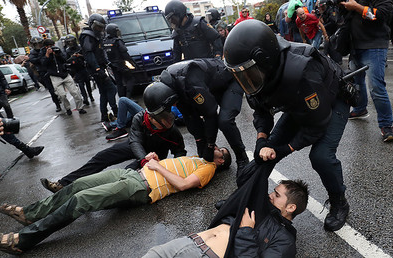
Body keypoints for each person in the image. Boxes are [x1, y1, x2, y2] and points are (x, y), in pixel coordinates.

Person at [224, 20, 352, 231]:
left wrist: (287, 148)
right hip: (298, 104)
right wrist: (262, 139)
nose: (245, 80)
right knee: (264, 154)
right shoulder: (256, 71)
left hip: (331, 100)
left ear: (264, 61)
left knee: (321, 156)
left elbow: (316, 125)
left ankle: (339, 202)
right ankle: (246, 200)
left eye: (248, 73)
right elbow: (261, 111)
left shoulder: (302, 71)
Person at [0, 148, 231, 255]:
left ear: (221, 163)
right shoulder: (196, 157)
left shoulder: (207, 169)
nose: (216, 151)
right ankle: (30, 214)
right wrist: (156, 159)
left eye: (221, 153)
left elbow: (182, 185)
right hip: (131, 174)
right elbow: (171, 171)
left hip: (141, 187)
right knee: (78, 184)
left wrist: (157, 166)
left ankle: (23, 240)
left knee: (81, 200)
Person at [40, 85, 187, 193]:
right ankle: (63, 184)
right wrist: (143, 159)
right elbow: (135, 141)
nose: (164, 125)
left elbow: (180, 154)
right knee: (102, 157)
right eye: (160, 122)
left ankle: (83, 191)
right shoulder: (139, 118)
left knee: (126, 173)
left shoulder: (172, 130)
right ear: (151, 117)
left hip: (156, 156)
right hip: (139, 148)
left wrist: (169, 170)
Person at [143, 164, 309, 257]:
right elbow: (246, 178)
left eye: (277, 195)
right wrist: (263, 154)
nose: (270, 195)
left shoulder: (285, 240)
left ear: (291, 207)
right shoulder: (258, 204)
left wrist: (246, 232)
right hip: (187, 242)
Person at [158, 58, 250, 172]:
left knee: (224, 121)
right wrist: (200, 141)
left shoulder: (190, 83)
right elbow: (189, 116)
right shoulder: (170, 86)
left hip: (229, 81)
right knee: (194, 119)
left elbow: (210, 114)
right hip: (210, 86)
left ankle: (242, 158)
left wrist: (210, 144)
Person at [341, 0, 393, 142]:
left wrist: (356, 7)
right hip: (355, 46)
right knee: (357, 82)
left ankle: (386, 126)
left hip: (375, 46)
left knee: (376, 87)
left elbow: (380, 15)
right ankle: (360, 108)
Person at [80, 13, 118, 122]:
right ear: (92, 24)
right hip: (96, 69)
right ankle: (115, 111)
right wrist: (97, 68)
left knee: (103, 92)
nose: (99, 29)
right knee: (111, 88)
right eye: (98, 26)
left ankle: (104, 116)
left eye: (101, 27)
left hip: (100, 66)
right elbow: (89, 54)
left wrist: (107, 63)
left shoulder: (96, 35)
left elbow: (100, 52)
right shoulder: (87, 35)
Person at [39, 39, 87, 116]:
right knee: (62, 95)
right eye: (50, 46)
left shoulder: (58, 50)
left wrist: (58, 54)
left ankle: (80, 108)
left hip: (65, 74)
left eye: (53, 45)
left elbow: (65, 59)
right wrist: (47, 55)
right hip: (55, 76)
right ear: (46, 47)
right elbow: (43, 64)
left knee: (75, 92)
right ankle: (67, 108)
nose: (52, 47)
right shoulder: (42, 53)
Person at [28, 36, 62, 112]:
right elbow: (33, 60)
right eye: (36, 44)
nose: (38, 46)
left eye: (39, 44)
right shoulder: (33, 52)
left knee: (59, 86)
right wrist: (42, 58)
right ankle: (57, 104)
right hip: (43, 72)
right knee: (51, 90)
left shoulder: (46, 49)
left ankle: (61, 98)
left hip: (53, 70)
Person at [103, 24, 136, 98]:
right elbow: (124, 53)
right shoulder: (118, 41)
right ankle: (128, 98)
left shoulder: (105, 41)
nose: (118, 33)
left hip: (113, 65)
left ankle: (122, 98)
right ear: (113, 31)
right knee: (130, 79)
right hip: (121, 64)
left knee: (119, 83)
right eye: (116, 31)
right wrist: (132, 63)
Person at [65, 34, 94, 105]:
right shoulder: (67, 50)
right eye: (69, 42)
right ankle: (85, 98)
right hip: (76, 70)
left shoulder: (80, 47)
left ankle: (90, 95)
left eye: (71, 41)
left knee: (88, 84)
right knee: (81, 85)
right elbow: (66, 60)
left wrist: (79, 55)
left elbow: (86, 56)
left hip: (84, 68)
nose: (70, 43)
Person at [318, 0, 343, 64]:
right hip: (329, 32)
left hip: (335, 31)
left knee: (334, 47)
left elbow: (333, 22)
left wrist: (324, 26)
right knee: (327, 48)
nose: (321, 8)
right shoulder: (324, 11)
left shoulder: (332, 10)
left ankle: (337, 62)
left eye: (323, 6)